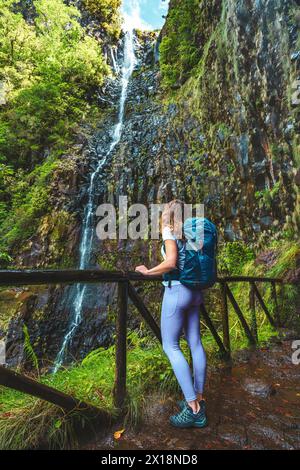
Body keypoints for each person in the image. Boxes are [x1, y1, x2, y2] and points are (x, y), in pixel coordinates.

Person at [135, 200, 207, 428]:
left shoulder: (169, 230)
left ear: (168, 215)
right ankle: (199, 397)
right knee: (195, 342)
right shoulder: (190, 233)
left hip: (177, 291)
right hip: (195, 293)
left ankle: (193, 407)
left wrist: (148, 272)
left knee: (171, 346)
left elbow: (171, 263)